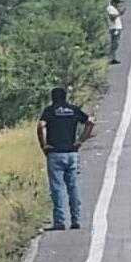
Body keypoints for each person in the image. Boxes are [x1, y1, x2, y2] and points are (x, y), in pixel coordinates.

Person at [37, 87, 95, 231]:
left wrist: (44, 145)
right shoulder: (73, 110)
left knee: (57, 188)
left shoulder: (49, 111)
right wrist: (80, 140)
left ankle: (59, 222)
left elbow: (40, 125)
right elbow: (90, 122)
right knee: (73, 186)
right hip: (71, 153)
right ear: (65, 97)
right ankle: (76, 219)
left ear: (52, 98)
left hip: (55, 153)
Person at [106, 0, 123, 64]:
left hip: (117, 28)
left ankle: (113, 58)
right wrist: (119, 14)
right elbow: (112, 18)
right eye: (117, 3)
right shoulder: (110, 8)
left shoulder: (114, 8)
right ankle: (110, 58)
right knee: (114, 43)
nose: (118, 5)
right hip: (114, 28)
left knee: (116, 44)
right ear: (113, 2)